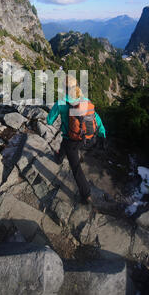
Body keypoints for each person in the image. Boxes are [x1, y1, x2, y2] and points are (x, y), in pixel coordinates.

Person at [47, 75, 106, 205]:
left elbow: (49, 120)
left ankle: (86, 195)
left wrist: (60, 118)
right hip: (86, 137)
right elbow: (95, 117)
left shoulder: (61, 102)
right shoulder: (85, 100)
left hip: (71, 140)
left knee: (76, 167)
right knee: (65, 144)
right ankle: (59, 157)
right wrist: (102, 132)